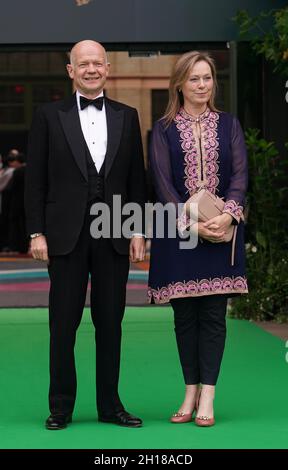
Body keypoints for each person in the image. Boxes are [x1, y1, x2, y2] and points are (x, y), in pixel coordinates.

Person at [25, 40, 146, 430]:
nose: (91, 69)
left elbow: (136, 181)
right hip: (63, 235)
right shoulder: (47, 115)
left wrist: (139, 229)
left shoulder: (128, 116)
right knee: (63, 325)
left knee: (111, 324)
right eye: (83, 64)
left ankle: (110, 407)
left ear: (108, 68)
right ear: (71, 70)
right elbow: (35, 181)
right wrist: (36, 232)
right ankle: (60, 406)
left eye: (97, 63)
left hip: (114, 232)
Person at [148, 51, 248, 427]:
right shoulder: (163, 129)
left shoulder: (229, 124)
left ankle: (208, 393)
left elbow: (240, 174)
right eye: (194, 79)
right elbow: (161, 181)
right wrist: (191, 222)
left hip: (222, 232)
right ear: (180, 83)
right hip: (179, 234)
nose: (202, 85)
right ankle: (189, 390)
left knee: (213, 316)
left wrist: (226, 215)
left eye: (207, 78)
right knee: (184, 318)